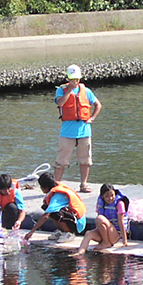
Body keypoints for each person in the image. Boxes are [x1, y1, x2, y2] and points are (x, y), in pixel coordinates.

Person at [54, 64, 102, 193]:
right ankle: (56, 184)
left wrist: (92, 118)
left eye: (76, 79)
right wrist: (69, 90)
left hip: (84, 131)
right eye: (72, 79)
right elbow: (60, 103)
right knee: (62, 160)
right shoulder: (61, 90)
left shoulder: (86, 91)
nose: (74, 81)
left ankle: (84, 184)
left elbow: (98, 105)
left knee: (85, 160)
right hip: (67, 132)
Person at [24, 173, 87, 244]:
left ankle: (69, 233)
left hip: (78, 224)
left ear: (45, 187)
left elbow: (45, 216)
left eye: (41, 187)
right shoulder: (55, 187)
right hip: (73, 218)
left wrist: (31, 231)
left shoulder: (57, 196)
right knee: (47, 207)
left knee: (53, 212)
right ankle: (62, 231)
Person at [74, 183, 130, 255]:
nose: (110, 198)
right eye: (107, 196)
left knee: (99, 218)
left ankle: (106, 243)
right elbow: (100, 225)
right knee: (88, 234)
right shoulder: (101, 203)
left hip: (115, 235)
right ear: (102, 196)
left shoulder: (119, 204)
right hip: (106, 233)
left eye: (112, 195)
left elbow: (121, 222)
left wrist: (124, 241)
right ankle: (80, 253)